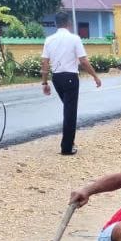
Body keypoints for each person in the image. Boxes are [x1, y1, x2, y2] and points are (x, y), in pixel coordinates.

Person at [41, 10, 102, 156]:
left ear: (56, 24)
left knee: (68, 109)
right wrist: (95, 76)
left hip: (57, 79)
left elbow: (44, 62)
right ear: (69, 23)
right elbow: (83, 60)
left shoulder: (49, 40)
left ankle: (69, 142)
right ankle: (67, 147)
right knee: (70, 112)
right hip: (70, 77)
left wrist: (44, 83)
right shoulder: (74, 39)